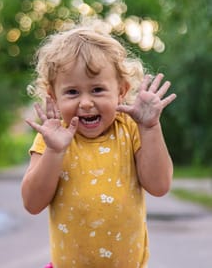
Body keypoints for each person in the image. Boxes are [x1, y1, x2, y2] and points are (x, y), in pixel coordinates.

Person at [21, 26, 176, 268]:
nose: (85, 103)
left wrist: (150, 127)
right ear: (53, 96)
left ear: (121, 91)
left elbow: (159, 185)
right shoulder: (53, 136)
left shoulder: (130, 129)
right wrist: (54, 151)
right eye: (72, 92)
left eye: (97, 90)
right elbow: (32, 203)